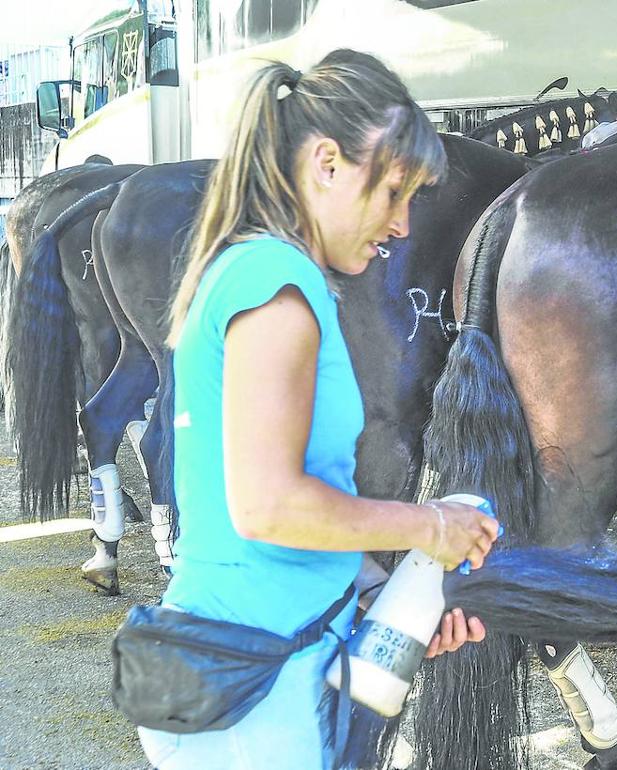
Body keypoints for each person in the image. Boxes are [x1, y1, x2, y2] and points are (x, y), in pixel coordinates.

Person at [135, 49, 500, 768]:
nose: (400, 225)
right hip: (255, 694)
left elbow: (288, 518)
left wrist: (386, 604)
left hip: (263, 669)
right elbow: (269, 507)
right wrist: (432, 526)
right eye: (393, 193)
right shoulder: (277, 284)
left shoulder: (267, 274)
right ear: (327, 164)